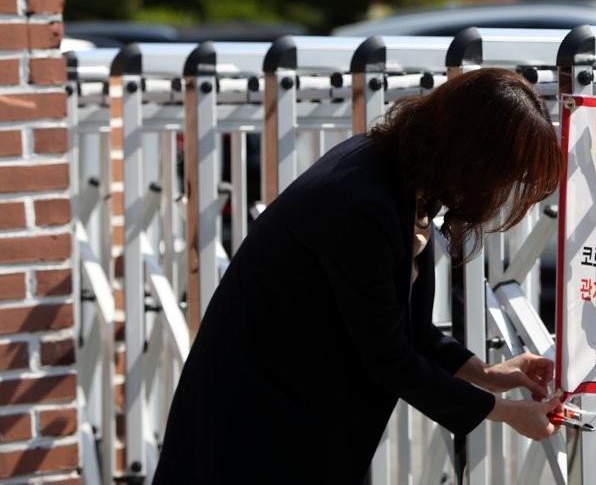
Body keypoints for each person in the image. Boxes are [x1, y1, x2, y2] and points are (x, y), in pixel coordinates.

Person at [153, 68, 565, 483]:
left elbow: (401, 328)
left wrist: (489, 374)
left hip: (276, 408)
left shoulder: (388, 171)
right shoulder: (364, 205)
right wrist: (505, 412)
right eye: (510, 175)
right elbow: (389, 357)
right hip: (256, 421)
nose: (506, 191)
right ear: (474, 156)